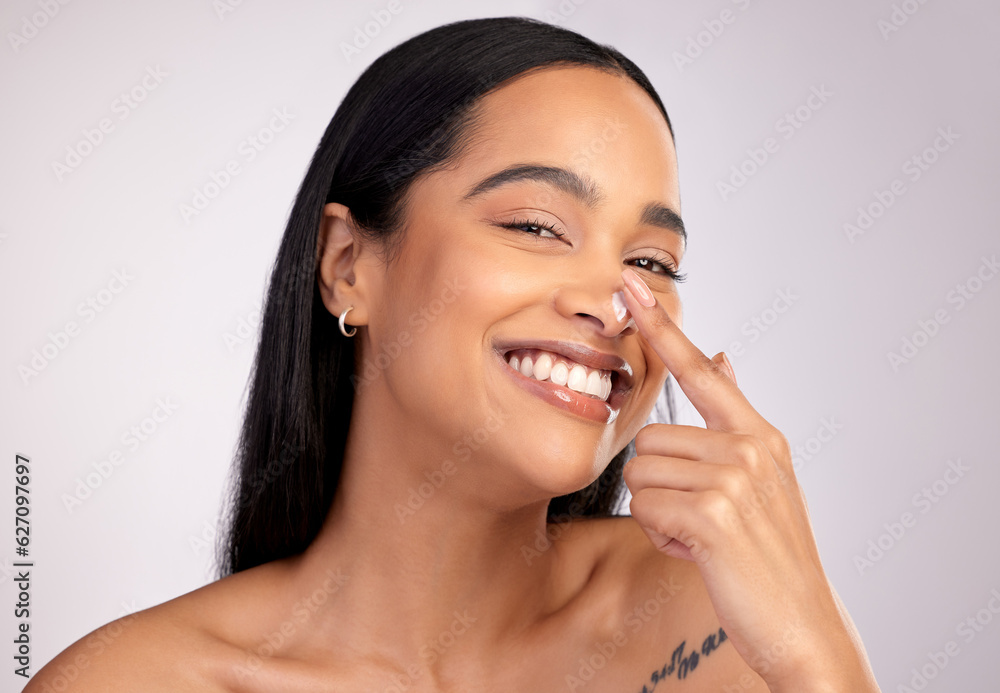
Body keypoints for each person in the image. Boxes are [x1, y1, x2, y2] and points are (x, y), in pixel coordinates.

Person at [27, 16, 880, 692]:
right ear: (348, 267)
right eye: (537, 226)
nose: (611, 299)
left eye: (650, 262)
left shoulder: (708, 615)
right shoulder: (135, 682)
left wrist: (817, 658)